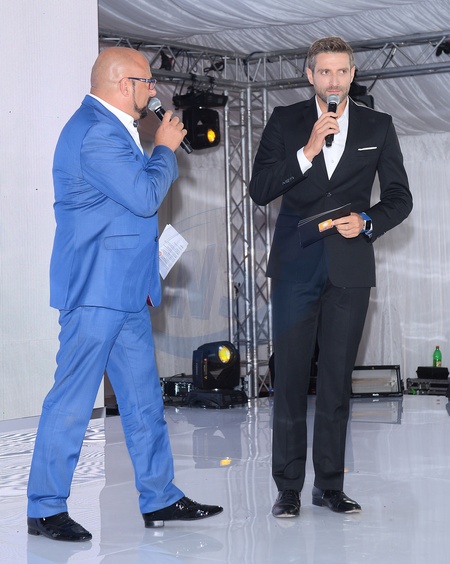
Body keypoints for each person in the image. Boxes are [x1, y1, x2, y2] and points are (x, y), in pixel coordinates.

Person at [26, 46, 222, 542]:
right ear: (122, 84)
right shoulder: (94, 131)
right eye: (147, 81)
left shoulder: (116, 128)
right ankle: (45, 508)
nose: (154, 89)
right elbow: (143, 196)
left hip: (128, 291)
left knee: (143, 401)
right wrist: (165, 149)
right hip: (95, 290)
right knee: (73, 401)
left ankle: (159, 497)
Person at [249, 36, 412, 518]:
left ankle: (330, 486)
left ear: (353, 74)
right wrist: (307, 150)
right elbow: (260, 189)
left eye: (342, 71)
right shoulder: (285, 121)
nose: (334, 80)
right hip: (295, 267)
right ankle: (288, 489)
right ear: (310, 75)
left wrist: (368, 221)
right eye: (324, 72)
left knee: (337, 382)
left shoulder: (379, 125)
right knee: (290, 380)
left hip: (350, 268)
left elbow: (400, 197)